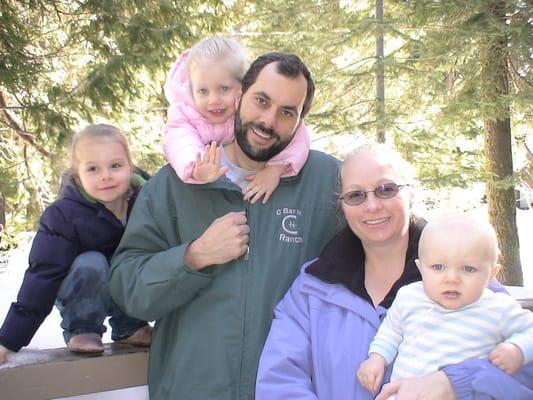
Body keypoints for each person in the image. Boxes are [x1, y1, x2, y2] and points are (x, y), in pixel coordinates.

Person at [108, 53, 342, 399]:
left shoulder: (327, 184)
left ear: (300, 122)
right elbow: (127, 287)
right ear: (239, 96)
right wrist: (192, 257)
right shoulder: (176, 183)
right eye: (261, 101)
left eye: (286, 112)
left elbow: (389, 240)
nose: (268, 121)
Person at [255, 143, 533, 400]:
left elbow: (524, 377)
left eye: (386, 189)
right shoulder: (311, 289)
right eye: (356, 195)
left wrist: (454, 383)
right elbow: (279, 382)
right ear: (342, 205)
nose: (372, 205)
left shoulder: (467, 281)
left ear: (410, 192)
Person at [0, 124, 152, 364]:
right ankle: (82, 329)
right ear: (78, 174)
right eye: (93, 168)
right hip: (81, 289)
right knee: (92, 262)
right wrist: (8, 340)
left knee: (136, 258)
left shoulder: (148, 200)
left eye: (115, 166)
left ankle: (129, 326)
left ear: (129, 165)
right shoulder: (63, 216)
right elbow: (42, 276)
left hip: (128, 287)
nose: (106, 175)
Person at [357, 212, 533, 396]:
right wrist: (376, 358)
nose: (452, 278)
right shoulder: (409, 297)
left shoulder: (497, 307)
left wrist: (517, 349)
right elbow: (391, 332)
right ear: (421, 268)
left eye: (468, 269)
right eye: (438, 267)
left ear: (491, 275)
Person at [163, 36, 310, 204]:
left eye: (224, 89)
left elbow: (299, 136)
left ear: (241, 89)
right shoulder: (187, 113)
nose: (213, 100)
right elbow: (179, 143)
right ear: (192, 90)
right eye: (203, 91)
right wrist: (194, 167)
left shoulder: (243, 112)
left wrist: (277, 169)